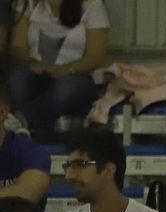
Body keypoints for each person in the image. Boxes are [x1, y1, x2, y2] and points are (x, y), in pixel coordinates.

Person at [8, 0, 108, 135]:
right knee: (16, 78)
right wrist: (32, 63)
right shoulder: (27, 3)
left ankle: (20, 122)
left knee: (67, 88)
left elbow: (95, 57)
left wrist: (66, 69)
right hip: (36, 71)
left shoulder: (92, 6)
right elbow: (17, 46)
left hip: (76, 74)